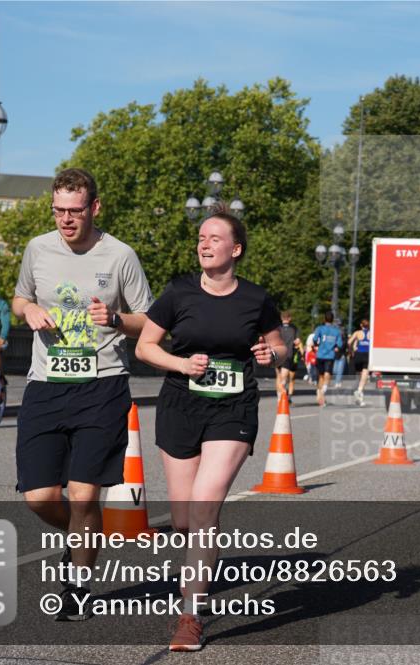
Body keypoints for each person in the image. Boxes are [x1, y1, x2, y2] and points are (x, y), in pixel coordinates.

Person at [135, 210, 285, 651]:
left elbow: (281, 344)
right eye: (201, 237)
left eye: (215, 238)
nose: (204, 244)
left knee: (202, 510)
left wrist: (270, 355)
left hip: (233, 409)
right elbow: (145, 346)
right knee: (184, 521)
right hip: (180, 405)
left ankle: (190, 617)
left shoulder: (255, 299)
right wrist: (182, 363)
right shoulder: (177, 293)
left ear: (235, 249)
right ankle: (199, 570)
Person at [12, 168, 152, 621]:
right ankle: (79, 537)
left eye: (75, 211)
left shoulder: (120, 255)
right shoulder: (37, 248)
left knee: (84, 494)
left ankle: (79, 585)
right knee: (39, 497)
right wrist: (29, 307)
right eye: (59, 211)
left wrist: (114, 319)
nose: (66, 220)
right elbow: (18, 299)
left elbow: (149, 321)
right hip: (46, 386)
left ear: (94, 207)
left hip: (102, 386)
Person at [312, 312, 343, 407]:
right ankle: (323, 392)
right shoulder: (337, 331)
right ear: (332, 320)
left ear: (324, 319)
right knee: (327, 374)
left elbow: (315, 339)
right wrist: (336, 347)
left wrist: (317, 345)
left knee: (321, 376)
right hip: (330, 355)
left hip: (320, 354)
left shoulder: (319, 328)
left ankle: (320, 396)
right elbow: (340, 344)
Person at [276, 311, 302, 403]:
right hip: (288, 354)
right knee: (284, 378)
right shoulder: (294, 328)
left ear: (281, 318)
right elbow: (298, 341)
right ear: (289, 318)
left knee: (278, 376)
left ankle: (279, 396)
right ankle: (282, 396)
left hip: (277, 354)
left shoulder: (277, 327)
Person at [348, 318, 372, 406]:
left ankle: (358, 392)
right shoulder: (371, 333)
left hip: (358, 355)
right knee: (365, 374)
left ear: (361, 325)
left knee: (359, 375)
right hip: (367, 355)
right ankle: (359, 391)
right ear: (368, 326)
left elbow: (349, 342)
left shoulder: (357, 333)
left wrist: (351, 351)